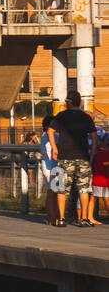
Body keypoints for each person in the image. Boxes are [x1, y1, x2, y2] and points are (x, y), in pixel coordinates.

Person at [51, 91, 97, 227]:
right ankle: (83, 218)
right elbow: (94, 138)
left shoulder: (61, 116)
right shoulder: (86, 117)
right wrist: (92, 155)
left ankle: (61, 219)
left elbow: (50, 131)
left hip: (64, 158)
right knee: (84, 189)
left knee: (61, 189)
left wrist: (55, 148)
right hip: (83, 157)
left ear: (69, 102)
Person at [40, 115, 62, 225]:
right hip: (53, 166)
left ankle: (50, 218)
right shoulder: (52, 136)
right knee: (54, 194)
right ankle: (54, 218)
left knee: (50, 193)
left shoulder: (44, 136)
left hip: (46, 166)